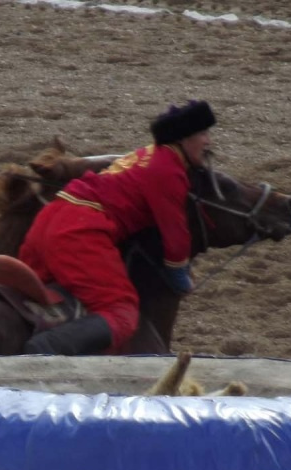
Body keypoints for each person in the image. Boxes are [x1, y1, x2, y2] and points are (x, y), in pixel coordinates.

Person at [17, 99, 215, 355]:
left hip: (49, 219)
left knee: (40, 294)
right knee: (121, 312)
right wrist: (181, 276)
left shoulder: (146, 154)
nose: (208, 141)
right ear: (183, 138)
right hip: (78, 231)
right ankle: (45, 348)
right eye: (202, 133)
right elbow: (175, 237)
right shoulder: (169, 170)